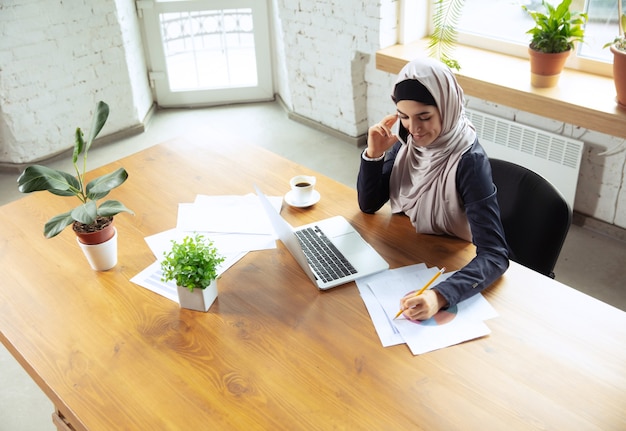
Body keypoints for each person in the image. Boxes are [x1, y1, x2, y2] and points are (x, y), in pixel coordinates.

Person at [357, 57, 509, 321]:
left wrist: (439, 295)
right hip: (405, 253)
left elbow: (495, 255)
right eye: (404, 117)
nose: (414, 129)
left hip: (447, 262)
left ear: (447, 108)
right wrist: (373, 155)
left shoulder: (469, 161)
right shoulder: (408, 144)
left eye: (424, 117)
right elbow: (369, 204)